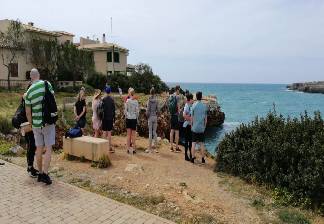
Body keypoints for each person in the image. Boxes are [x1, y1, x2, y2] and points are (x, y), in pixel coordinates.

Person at [25, 68, 55, 185]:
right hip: (47, 122)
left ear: (31, 77)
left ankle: (40, 172)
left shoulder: (29, 92)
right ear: (39, 75)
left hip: (36, 125)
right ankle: (45, 174)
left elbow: (28, 112)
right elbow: (53, 101)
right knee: (48, 148)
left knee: (38, 148)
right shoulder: (47, 84)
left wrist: (31, 124)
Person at [191, 91, 208, 164]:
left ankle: (192, 158)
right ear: (201, 97)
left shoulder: (193, 105)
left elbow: (192, 118)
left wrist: (191, 126)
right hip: (201, 127)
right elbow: (206, 119)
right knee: (202, 144)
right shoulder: (204, 106)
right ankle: (203, 159)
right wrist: (204, 127)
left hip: (194, 127)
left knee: (193, 143)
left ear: (196, 97)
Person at [125, 88, 139, 154]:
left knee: (128, 135)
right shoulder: (136, 102)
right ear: (134, 93)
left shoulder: (127, 101)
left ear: (130, 93)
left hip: (128, 118)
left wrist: (126, 116)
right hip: (134, 119)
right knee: (133, 135)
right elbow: (137, 111)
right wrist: (137, 117)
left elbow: (125, 110)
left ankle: (127, 149)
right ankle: (134, 149)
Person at [102, 86, 115, 152]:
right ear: (110, 92)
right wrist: (114, 119)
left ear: (105, 92)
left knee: (104, 132)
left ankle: (103, 147)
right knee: (109, 133)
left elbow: (101, 110)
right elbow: (114, 110)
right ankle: (109, 147)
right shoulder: (112, 100)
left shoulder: (103, 99)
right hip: (110, 118)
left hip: (104, 118)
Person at [146, 87, 159, 153]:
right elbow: (158, 110)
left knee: (150, 133)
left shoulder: (149, 100)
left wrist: (147, 116)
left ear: (150, 92)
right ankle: (156, 148)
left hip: (150, 117)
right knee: (154, 132)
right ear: (154, 93)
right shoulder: (156, 100)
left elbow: (147, 110)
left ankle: (149, 148)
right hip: (155, 117)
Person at [168, 85, 181, 152]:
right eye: (179, 89)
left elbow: (169, 105)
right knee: (177, 132)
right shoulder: (177, 97)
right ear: (177, 89)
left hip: (171, 115)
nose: (179, 90)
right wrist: (180, 111)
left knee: (171, 131)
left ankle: (171, 147)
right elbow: (178, 108)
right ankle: (176, 147)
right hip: (176, 116)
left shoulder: (171, 96)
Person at [183, 93, 193, 161]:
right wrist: (190, 119)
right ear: (190, 99)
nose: (193, 100)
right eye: (192, 99)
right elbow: (184, 115)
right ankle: (186, 156)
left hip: (189, 125)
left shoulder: (190, 105)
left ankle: (190, 155)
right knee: (188, 141)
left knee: (190, 141)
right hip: (187, 125)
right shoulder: (187, 105)